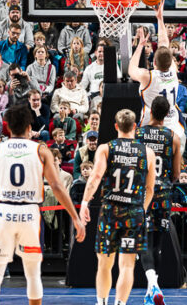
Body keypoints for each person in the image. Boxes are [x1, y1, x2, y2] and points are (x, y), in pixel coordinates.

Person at [0, 104, 86, 305]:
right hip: (30, 212)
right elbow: (57, 187)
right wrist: (75, 218)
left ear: (7, 127)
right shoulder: (40, 150)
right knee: (33, 274)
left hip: (3, 211)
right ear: (28, 126)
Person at [79, 109, 155, 305]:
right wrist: (142, 209)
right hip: (134, 211)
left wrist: (85, 203)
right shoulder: (147, 152)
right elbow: (150, 188)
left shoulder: (106, 148)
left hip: (110, 211)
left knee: (104, 264)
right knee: (127, 266)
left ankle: (102, 302)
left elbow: (95, 177)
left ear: (116, 126)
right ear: (135, 127)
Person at [135, 96, 181, 305]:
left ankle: (152, 285)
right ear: (167, 114)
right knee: (157, 244)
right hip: (163, 192)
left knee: (143, 241)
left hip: (144, 193)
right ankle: (152, 288)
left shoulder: (139, 134)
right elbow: (177, 173)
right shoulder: (173, 137)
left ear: (150, 111)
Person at [129, 2, 186, 153]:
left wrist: (140, 45)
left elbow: (131, 70)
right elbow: (163, 45)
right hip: (174, 129)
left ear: (153, 62)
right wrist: (160, 18)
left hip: (150, 129)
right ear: (171, 62)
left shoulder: (148, 76)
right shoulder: (173, 71)